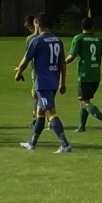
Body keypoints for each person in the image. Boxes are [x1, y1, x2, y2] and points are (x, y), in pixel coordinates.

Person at [15, 13, 72, 153]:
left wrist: (18, 73)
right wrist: (62, 82)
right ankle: (32, 143)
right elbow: (62, 64)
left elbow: (25, 60)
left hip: (43, 83)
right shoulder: (57, 40)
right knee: (40, 112)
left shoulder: (37, 41)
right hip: (53, 81)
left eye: (34, 25)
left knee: (50, 112)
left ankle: (65, 145)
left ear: (38, 24)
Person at [65, 17, 102, 133]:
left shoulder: (78, 39)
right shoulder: (99, 40)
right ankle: (82, 126)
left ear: (81, 27)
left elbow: (71, 57)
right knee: (83, 100)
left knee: (85, 102)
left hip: (84, 75)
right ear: (93, 27)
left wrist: (61, 63)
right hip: (96, 76)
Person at [23, 14, 38, 128]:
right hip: (50, 71)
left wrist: (20, 70)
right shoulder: (51, 37)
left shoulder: (31, 38)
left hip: (37, 70)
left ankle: (36, 120)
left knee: (36, 95)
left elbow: (27, 57)